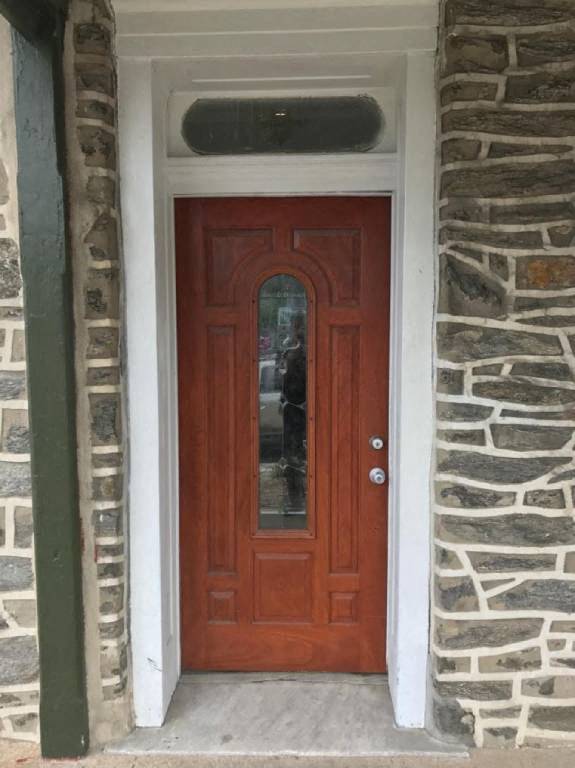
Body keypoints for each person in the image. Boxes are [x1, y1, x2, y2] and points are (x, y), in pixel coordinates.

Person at [279, 312, 307, 513]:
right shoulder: (289, 352)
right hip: (293, 413)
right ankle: (296, 499)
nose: (296, 331)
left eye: (298, 326)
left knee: (299, 456)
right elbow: (284, 384)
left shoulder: (299, 354)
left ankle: (300, 499)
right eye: (295, 326)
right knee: (293, 457)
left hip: (303, 412)